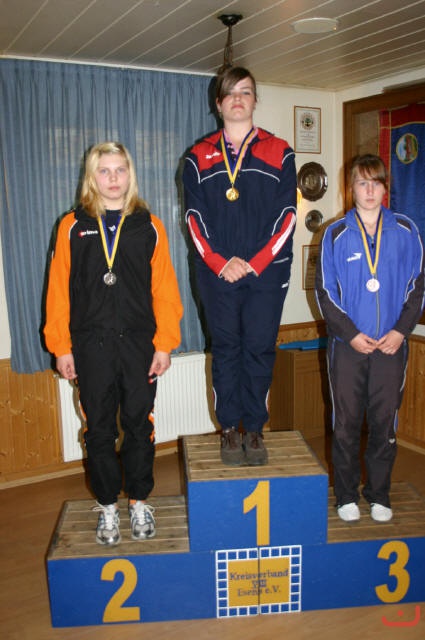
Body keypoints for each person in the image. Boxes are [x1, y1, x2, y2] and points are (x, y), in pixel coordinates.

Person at [44, 142, 183, 545]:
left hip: (139, 345)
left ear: (130, 174)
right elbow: (58, 292)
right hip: (91, 346)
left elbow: (165, 291)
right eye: (104, 171)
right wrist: (61, 346)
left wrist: (164, 343)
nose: (113, 178)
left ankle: (139, 502)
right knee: (99, 430)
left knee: (139, 426)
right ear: (92, 177)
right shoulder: (71, 226)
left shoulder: (149, 225)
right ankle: (107, 507)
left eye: (120, 169)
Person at [182, 66, 297, 466]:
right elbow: (193, 218)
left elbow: (288, 215)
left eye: (245, 92)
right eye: (230, 92)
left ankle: (255, 428)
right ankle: (230, 428)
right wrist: (220, 263)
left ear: (255, 101)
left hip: (267, 271)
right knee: (227, 349)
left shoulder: (280, 150)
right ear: (218, 103)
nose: (237, 99)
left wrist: (255, 262)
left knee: (259, 348)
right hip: (217, 274)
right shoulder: (197, 156)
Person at [316, 154, 424, 523]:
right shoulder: (335, 234)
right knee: (345, 424)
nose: (370, 190)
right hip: (348, 348)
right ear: (351, 188)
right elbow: (325, 292)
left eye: (376, 182)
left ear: (385, 188)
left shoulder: (407, 230)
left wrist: (400, 331)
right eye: (362, 183)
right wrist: (350, 334)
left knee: (384, 423)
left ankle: (379, 494)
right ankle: (346, 495)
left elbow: (417, 287)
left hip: (391, 347)